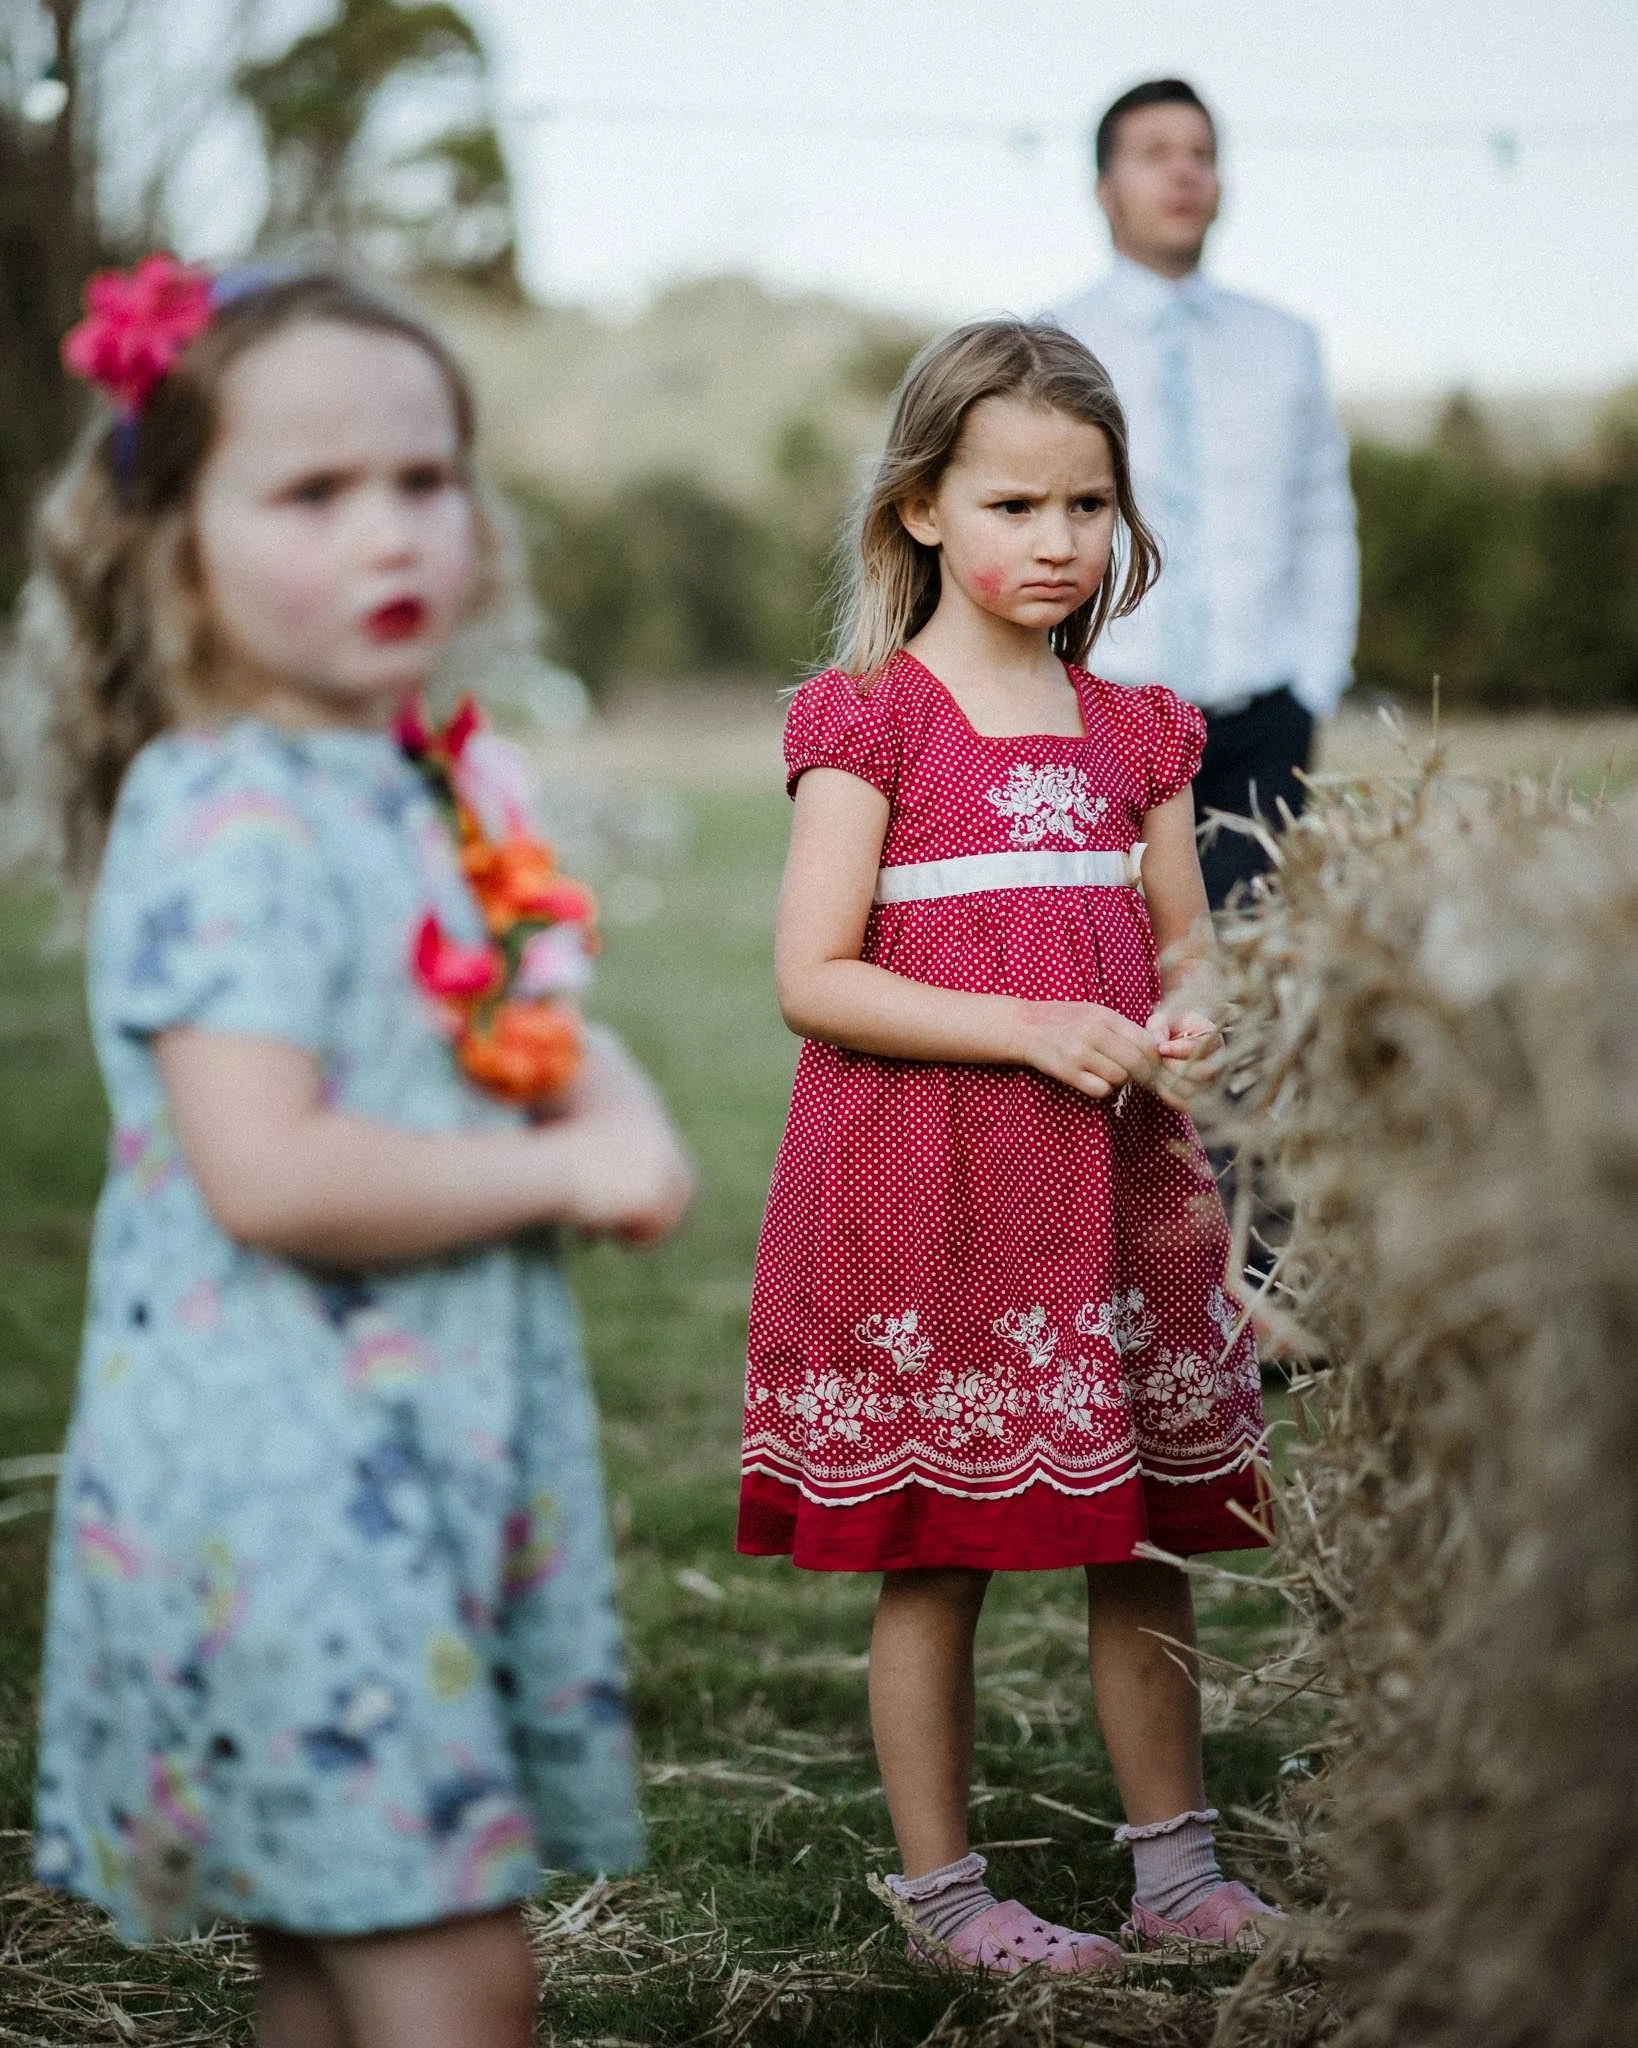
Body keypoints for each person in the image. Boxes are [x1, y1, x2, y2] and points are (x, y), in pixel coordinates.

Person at [23, 259, 693, 2048]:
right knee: (453, 1980)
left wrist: (593, 1079)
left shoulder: (408, 777)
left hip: (398, 1449)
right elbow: (271, 1167)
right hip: (287, 1486)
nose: (388, 530)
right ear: (174, 549)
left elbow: (499, 1010)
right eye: (312, 494)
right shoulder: (232, 810)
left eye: (423, 479)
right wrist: (573, 1169)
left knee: (332, 1964)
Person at [737, 319, 1281, 1972]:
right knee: (941, 1548)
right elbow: (810, 976)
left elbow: (1185, 944)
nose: (1055, 541)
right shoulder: (868, 721)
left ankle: (1175, 1870)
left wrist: (1184, 1018)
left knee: (1136, 1534)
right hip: (936, 1189)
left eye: (1087, 504)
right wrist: (1028, 1026)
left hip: (1116, 1194)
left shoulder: (1140, 733)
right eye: (1011, 503)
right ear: (917, 508)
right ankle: (943, 1894)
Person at [1051, 78, 1358, 908]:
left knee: (1240, 989)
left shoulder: (1286, 344)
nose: (1184, 173)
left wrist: (1312, 683)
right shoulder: (1046, 346)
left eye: (1202, 155)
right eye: (1155, 155)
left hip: (1263, 723)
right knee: (1104, 977)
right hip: (1097, 718)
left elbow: (1324, 520)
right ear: (1103, 190)